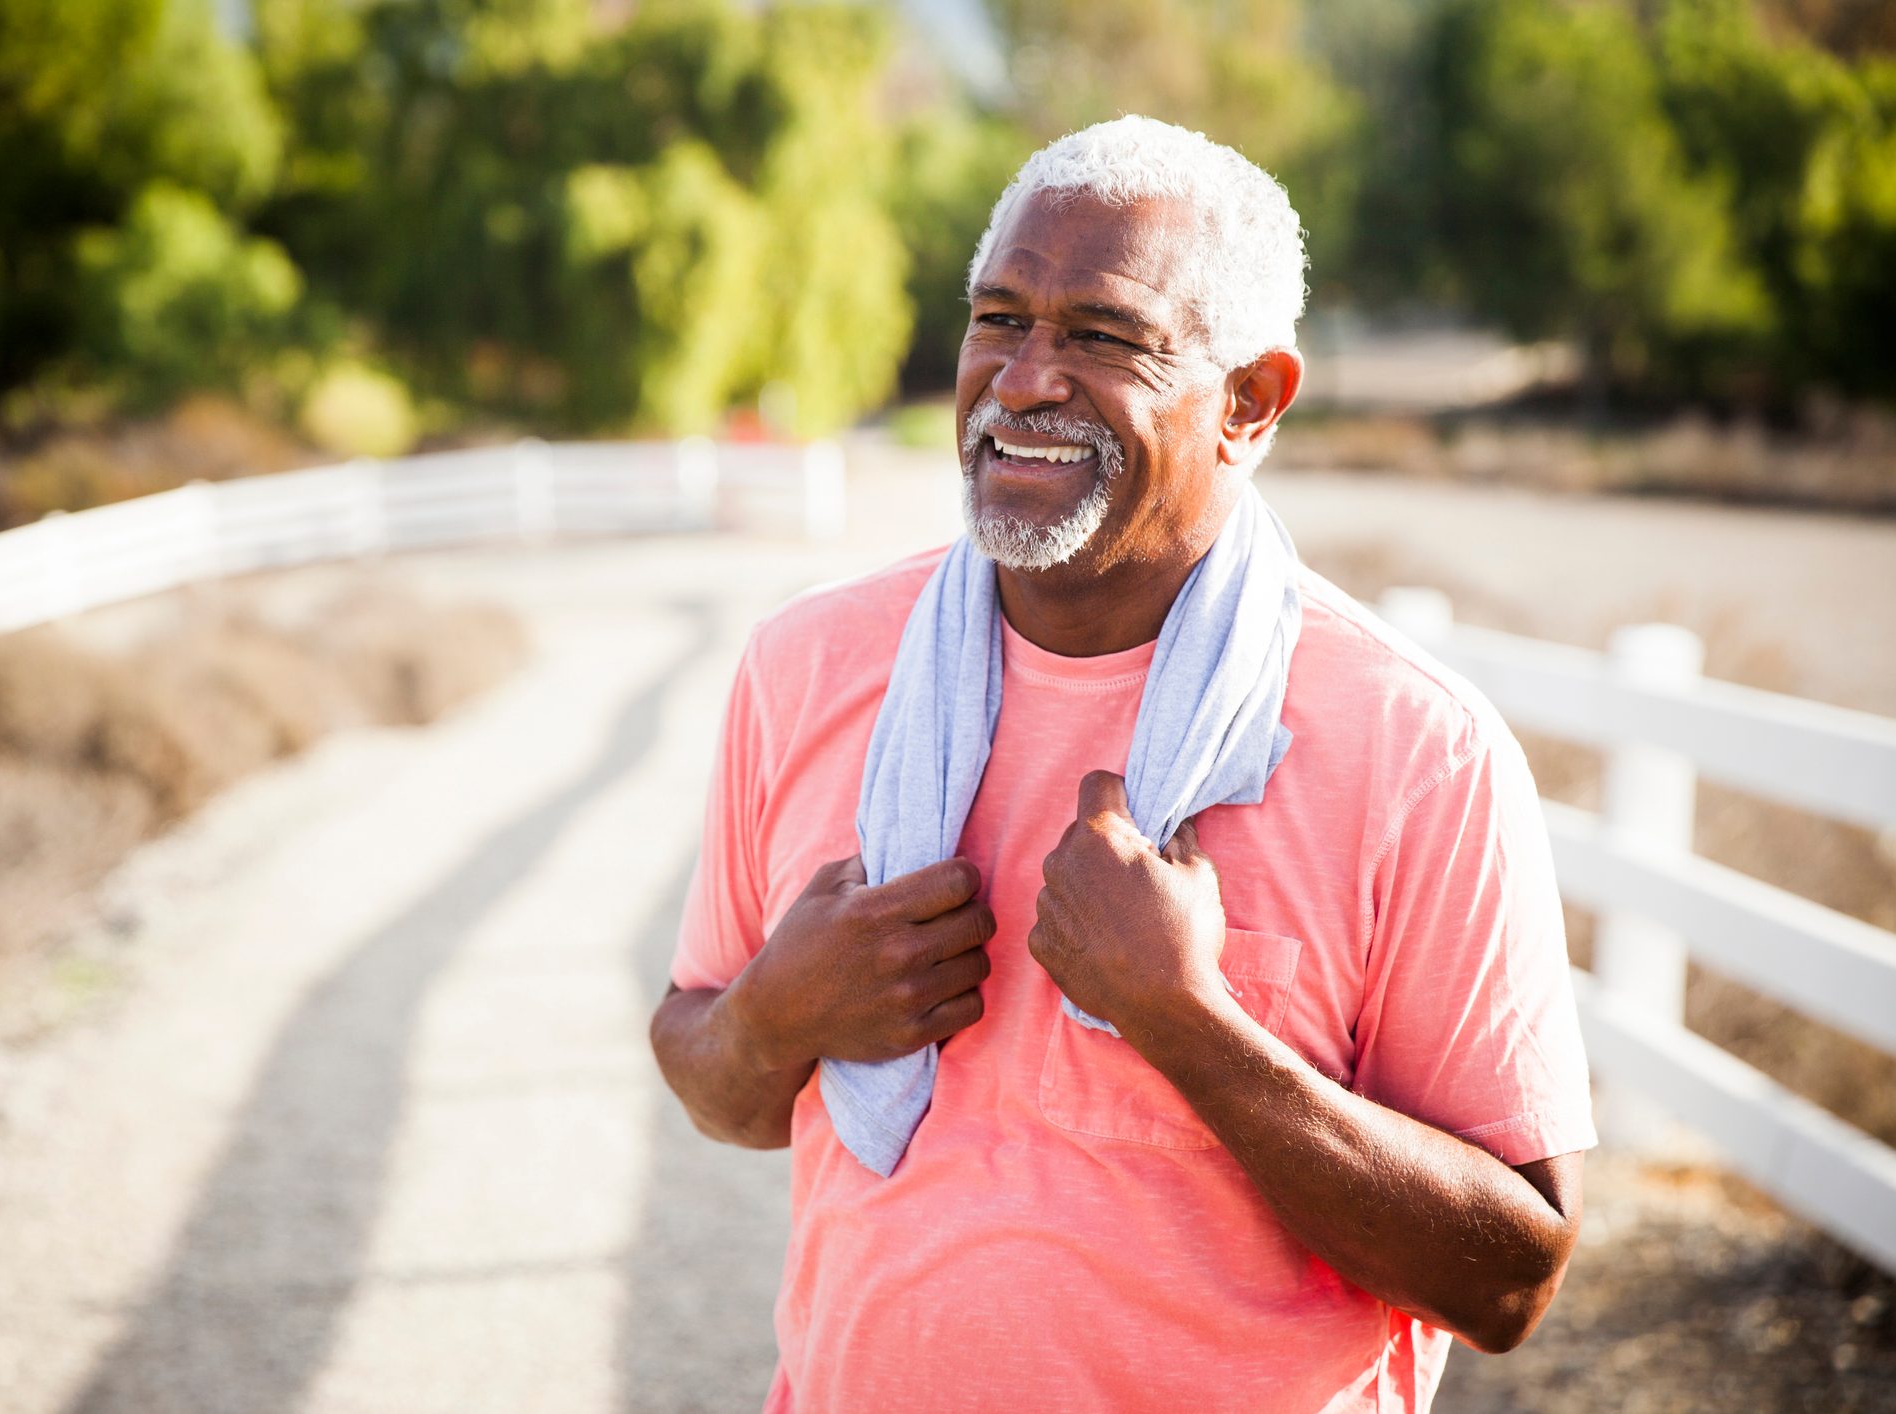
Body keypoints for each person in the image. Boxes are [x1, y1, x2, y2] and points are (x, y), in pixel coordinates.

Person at [648, 116, 1595, 1413]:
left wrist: (1186, 1022)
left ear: (1250, 403)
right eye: (999, 319)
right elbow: (720, 1078)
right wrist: (776, 1013)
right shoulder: (806, 667)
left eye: (1101, 335)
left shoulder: (1412, 745)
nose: (1022, 379)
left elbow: (1508, 1280)